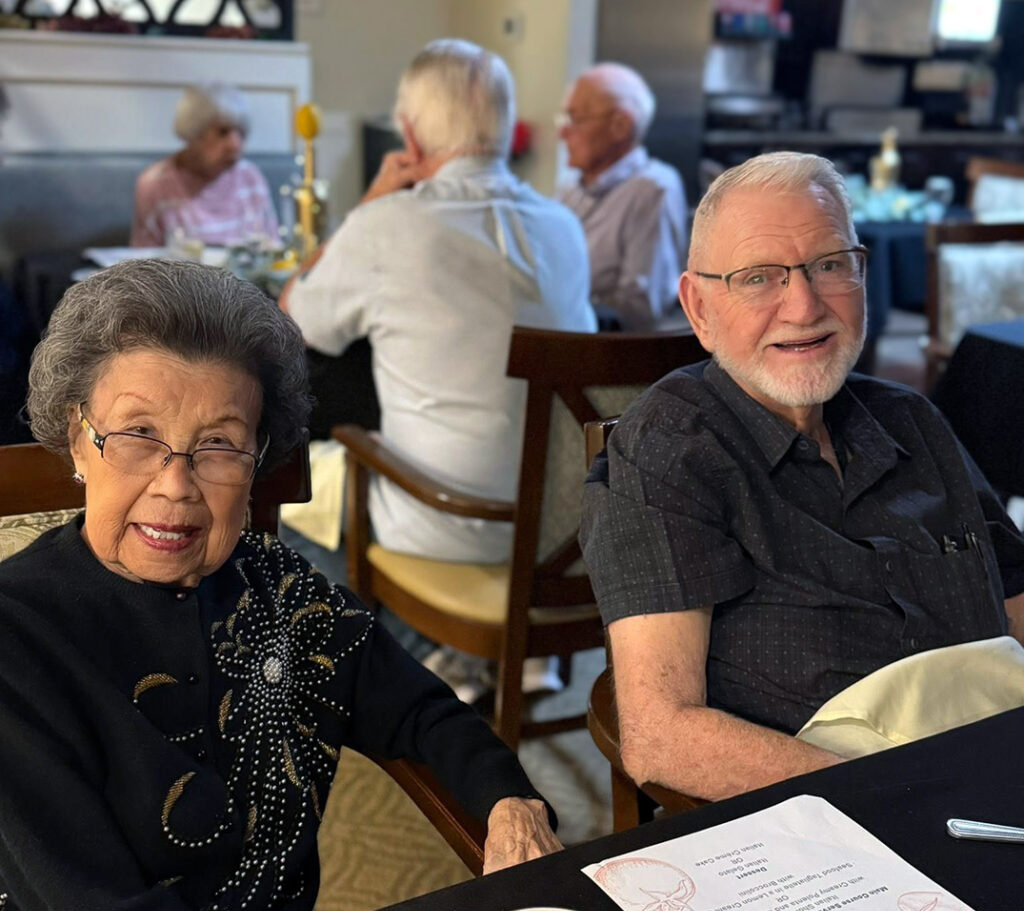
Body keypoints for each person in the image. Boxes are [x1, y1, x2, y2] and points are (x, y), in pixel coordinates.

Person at [0, 259, 561, 911]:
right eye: (138, 435)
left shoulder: (280, 589)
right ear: (76, 440)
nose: (176, 483)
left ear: (258, 460)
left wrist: (509, 804)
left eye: (220, 445)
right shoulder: (18, 637)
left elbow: (421, 708)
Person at [580, 151, 1024, 803]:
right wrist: (906, 801)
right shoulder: (672, 451)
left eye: (829, 265)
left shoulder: (913, 420)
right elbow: (661, 735)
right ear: (698, 307)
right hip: (844, 828)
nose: (804, 304)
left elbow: (1015, 603)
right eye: (760, 277)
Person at [282, 39, 595, 700]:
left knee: (276, 491)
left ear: (412, 133)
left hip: (450, 521)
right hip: (561, 531)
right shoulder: (564, 227)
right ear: (505, 128)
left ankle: (441, 650)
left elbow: (296, 318)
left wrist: (369, 203)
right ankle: (517, 652)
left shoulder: (387, 225)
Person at [557, 63, 687, 330]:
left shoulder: (652, 189)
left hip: (606, 353)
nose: (563, 133)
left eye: (575, 119)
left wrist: (562, 306)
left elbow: (642, 307)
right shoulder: (569, 187)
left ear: (620, 125)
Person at [131, 82, 279, 247]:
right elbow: (143, 263)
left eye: (241, 133)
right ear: (193, 131)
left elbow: (273, 251)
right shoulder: (154, 184)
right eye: (223, 132)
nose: (235, 144)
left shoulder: (251, 177)